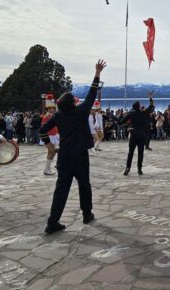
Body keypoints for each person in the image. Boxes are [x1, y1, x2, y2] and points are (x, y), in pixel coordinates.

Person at [41, 59, 106, 234]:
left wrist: (49, 146)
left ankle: (52, 222)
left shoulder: (58, 116)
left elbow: (42, 130)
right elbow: (92, 95)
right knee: (84, 185)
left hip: (63, 156)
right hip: (80, 156)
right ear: (72, 104)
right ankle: (87, 214)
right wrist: (97, 73)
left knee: (61, 189)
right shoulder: (80, 112)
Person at [119, 94, 155, 175]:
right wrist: (151, 98)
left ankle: (128, 168)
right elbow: (151, 107)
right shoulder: (143, 113)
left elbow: (121, 121)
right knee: (140, 153)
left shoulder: (131, 113)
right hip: (141, 136)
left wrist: (128, 127)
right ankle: (139, 169)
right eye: (140, 104)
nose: (141, 105)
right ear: (138, 106)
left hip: (133, 135)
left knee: (130, 153)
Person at [41, 95, 59, 175]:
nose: (54, 109)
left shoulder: (51, 116)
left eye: (54, 108)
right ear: (49, 109)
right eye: (53, 108)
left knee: (51, 152)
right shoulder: (47, 116)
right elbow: (43, 128)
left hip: (54, 135)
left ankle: (47, 168)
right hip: (49, 136)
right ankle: (47, 169)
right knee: (52, 152)